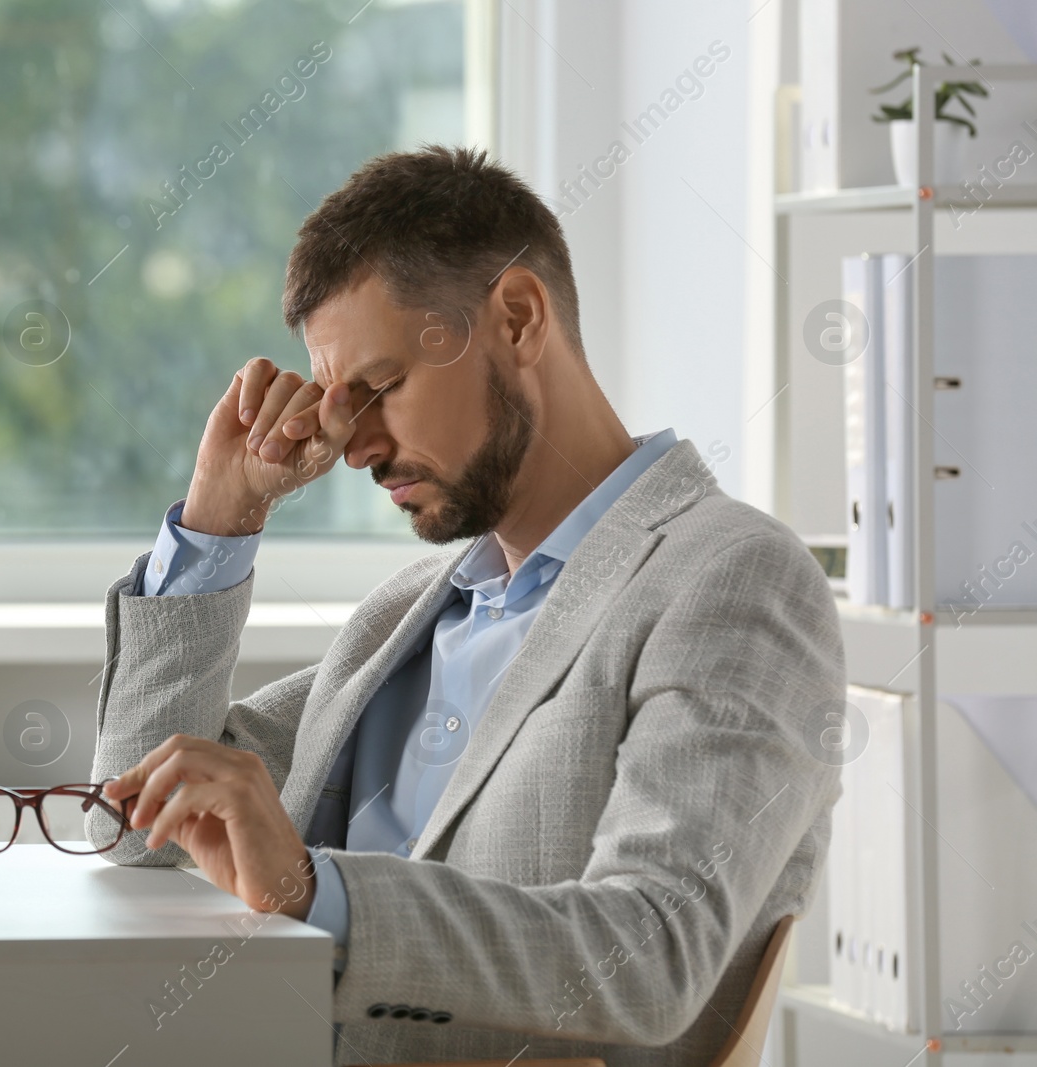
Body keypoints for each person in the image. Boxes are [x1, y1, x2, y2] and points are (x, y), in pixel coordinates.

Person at [89, 145, 843, 1066]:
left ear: (518, 318)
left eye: (378, 388)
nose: (353, 445)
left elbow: (652, 953)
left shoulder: (729, 577)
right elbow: (131, 823)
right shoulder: (407, 614)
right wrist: (222, 514)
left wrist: (308, 889)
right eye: (336, 401)